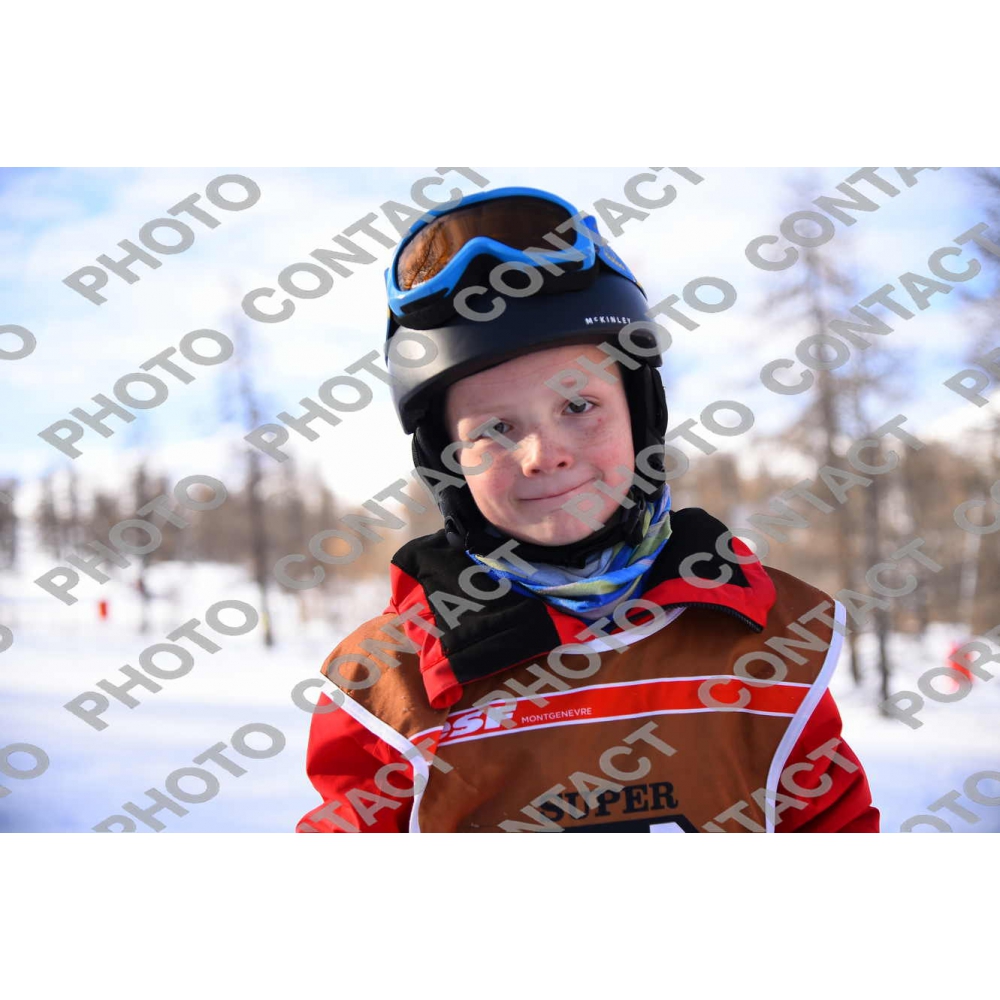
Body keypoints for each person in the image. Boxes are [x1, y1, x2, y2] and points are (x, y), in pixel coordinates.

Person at [298, 186, 879, 833]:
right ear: (448, 463)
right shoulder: (388, 685)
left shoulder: (772, 637)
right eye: (494, 428)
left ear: (642, 417)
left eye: (578, 406)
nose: (544, 455)